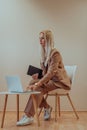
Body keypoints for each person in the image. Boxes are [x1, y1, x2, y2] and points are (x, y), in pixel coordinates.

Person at [16, 30, 71, 126]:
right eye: (39, 38)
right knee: (32, 82)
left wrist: (39, 83)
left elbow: (51, 72)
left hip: (59, 82)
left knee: (38, 87)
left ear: (48, 40)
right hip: (51, 80)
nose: (40, 41)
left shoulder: (55, 53)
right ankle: (47, 107)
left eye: (43, 38)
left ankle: (29, 116)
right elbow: (46, 73)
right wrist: (38, 76)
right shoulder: (44, 53)